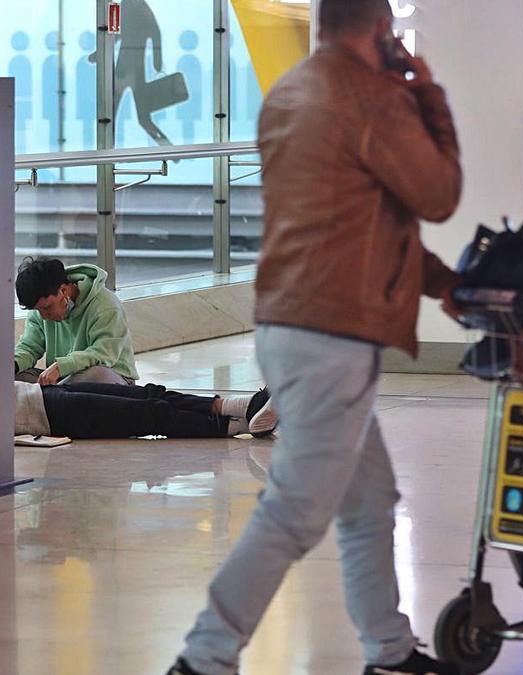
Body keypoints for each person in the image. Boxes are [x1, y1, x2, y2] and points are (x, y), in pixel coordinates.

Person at [169, 1, 463, 674]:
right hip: (332, 335)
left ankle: (389, 650)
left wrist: (441, 281)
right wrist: (431, 95)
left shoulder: (290, 93)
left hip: (286, 322)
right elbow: (440, 193)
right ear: (384, 32)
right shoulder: (373, 99)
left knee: (368, 500)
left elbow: (347, 224)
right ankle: (203, 657)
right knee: (295, 511)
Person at [0, 350, 278, 442]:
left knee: (146, 396)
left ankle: (238, 409)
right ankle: (239, 422)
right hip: (48, 416)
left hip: (40, 396)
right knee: (148, 415)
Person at [15, 258, 139, 386]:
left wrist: (61, 367)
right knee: (9, 376)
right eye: (37, 310)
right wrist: (13, 364)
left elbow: (103, 355)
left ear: (63, 290)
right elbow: (29, 347)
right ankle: (55, 396)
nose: (44, 316)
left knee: (96, 375)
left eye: (46, 308)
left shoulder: (106, 306)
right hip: (64, 380)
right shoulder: (40, 308)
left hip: (112, 379)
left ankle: (51, 396)